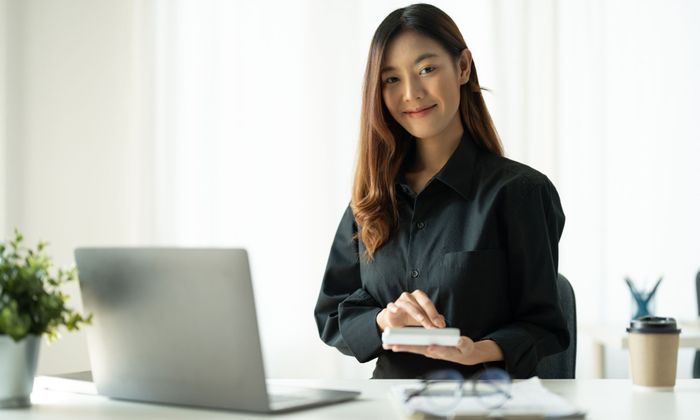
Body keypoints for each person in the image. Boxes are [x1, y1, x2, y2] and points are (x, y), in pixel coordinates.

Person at [314, 3, 569, 379]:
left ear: (462, 67)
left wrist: (477, 350)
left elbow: (544, 326)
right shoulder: (372, 199)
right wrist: (384, 319)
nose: (412, 93)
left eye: (427, 69)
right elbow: (332, 313)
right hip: (387, 405)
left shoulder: (521, 194)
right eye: (392, 79)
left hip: (484, 402)